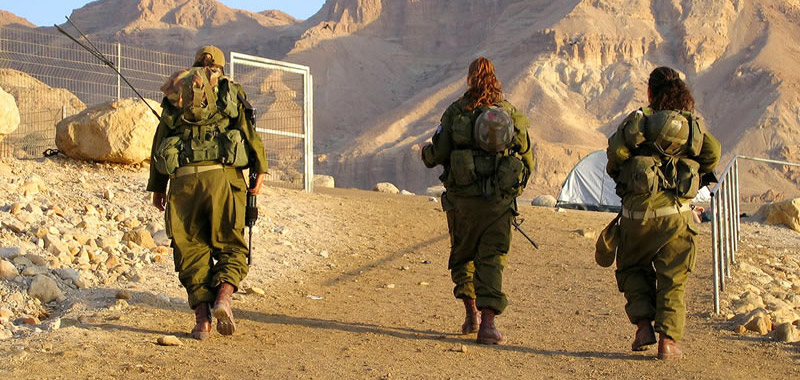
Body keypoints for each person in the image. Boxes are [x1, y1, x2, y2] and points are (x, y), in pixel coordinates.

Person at [146, 46, 268, 340]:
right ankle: (224, 298)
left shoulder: (177, 93)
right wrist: (260, 169)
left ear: (194, 65)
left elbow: (160, 138)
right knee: (231, 245)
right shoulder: (230, 90)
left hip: (184, 183)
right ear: (222, 68)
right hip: (223, 180)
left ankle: (202, 322)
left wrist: (158, 186)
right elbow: (248, 132)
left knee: (190, 249)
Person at [606, 67, 721, 359]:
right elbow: (713, 155)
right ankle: (667, 343)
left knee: (632, 268)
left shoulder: (637, 122)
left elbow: (615, 157)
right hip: (676, 214)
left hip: (636, 216)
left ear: (649, 93)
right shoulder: (692, 125)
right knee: (673, 277)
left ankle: (644, 326)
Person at [420, 57, 535, 345]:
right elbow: (528, 159)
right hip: (498, 204)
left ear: (470, 79)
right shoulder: (509, 113)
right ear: (494, 79)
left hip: (462, 203)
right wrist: (512, 191)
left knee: (462, 254)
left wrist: (424, 152)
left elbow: (437, 154)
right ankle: (488, 326)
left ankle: (471, 314)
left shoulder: (456, 112)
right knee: (492, 259)